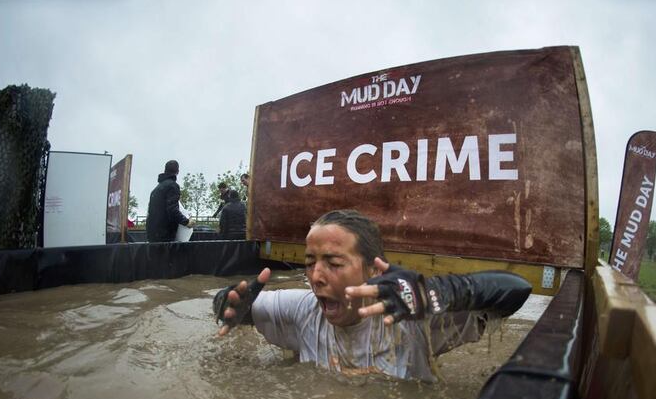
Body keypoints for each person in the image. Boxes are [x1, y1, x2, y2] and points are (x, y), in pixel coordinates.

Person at [214, 209, 531, 381]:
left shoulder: (414, 315)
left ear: (373, 271)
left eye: (333, 263)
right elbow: (226, 308)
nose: (315, 277)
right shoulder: (303, 309)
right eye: (309, 263)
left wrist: (435, 293)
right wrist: (232, 302)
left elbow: (516, 291)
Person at [146, 160, 192, 242]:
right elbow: (172, 209)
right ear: (178, 171)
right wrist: (186, 222)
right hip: (165, 234)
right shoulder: (172, 186)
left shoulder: (156, 189)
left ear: (165, 171)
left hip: (152, 233)